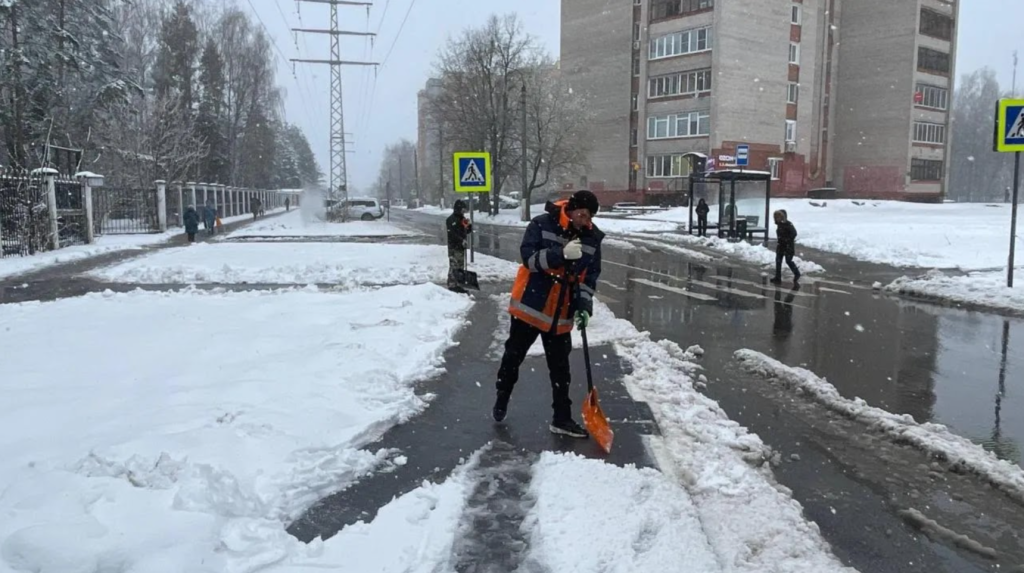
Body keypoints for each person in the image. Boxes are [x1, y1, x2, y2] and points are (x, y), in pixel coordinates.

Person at [492, 190, 604, 438]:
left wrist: (584, 306)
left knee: (561, 370)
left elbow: (589, 278)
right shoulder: (542, 224)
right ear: (572, 209)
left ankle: (561, 418)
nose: (585, 221)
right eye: (582, 215)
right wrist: (560, 254)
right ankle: (502, 396)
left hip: (561, 312)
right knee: (513, 357)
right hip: (530, 307)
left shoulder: (591, 238)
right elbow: (528, 259)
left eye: (589, 217)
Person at [445, 200, 472, 293]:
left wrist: (468, 225)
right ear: (459, 209)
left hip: (460, 247)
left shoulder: (462, 219)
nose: (464, 211)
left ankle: (458, 283)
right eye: (463, 209)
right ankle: (452, 284)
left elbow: (467, 231)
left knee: (460, 266)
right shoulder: (451, 219)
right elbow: (452, 233)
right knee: (454, 265)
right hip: (454, 247)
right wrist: (461, 240)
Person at [771, 209, 801, 285]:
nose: (777, 219)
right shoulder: (779, 225)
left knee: (788, 261)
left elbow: (794, 233)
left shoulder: (788, 224)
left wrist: (787, 240)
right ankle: (778, 277)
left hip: (788, 246)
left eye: (779, 217)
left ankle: (797, 273)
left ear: (782, 217)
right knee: (778, 261)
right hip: (781, 246)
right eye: (776, 217)